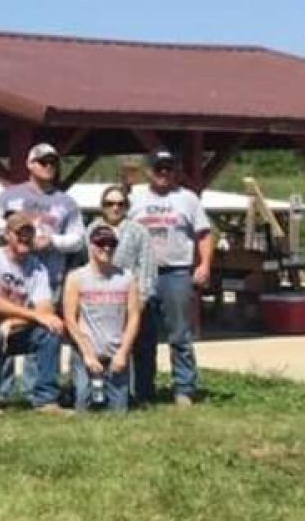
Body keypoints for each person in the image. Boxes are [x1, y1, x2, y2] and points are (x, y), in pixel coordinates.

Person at [0, 213, 71, 416]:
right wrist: (32, 315)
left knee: (51, 329)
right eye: (19, 233)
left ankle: (46, 400)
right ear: (7, 235)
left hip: (13, 330)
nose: (25, 238)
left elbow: (45, 310)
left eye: (29, 233)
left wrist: (12, 322)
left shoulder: (38, 267)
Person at [130, 149, 213, 407]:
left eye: (168, 168)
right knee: (142, 334)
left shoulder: (188, 199)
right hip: (141, 274)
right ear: (148, 171)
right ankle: (143, 390)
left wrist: (205, 265)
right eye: (158, 168)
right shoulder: (134, 198)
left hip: (176, 272)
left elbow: (204, 234)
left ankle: (184, 389)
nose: (163, 173)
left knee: (179, 334)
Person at [0, 143, 85, 293]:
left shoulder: (67, 203)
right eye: (43, 162)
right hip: (10, 280)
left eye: (53, 163)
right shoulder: (9, 195)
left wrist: (52, 241)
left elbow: (79, 240)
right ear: (29, 164)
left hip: (49, 281)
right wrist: (19, 235)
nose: (48, 166)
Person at [64, 223, 142, 413]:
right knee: (84, 406)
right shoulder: (76, 277)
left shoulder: (127, 278)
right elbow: (70, 319)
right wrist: (87, 354)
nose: (106, 248)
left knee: (118, 411)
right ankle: (74, 389)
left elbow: (133, 317)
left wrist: (123, 353)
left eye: (111, 243)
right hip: (86, 353)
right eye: (101, 243)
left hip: (116, 352)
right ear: (90, 245)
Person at [95, 182, 157, 306]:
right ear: (102, 206)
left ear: (127, 207)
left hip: (129, 298)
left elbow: (147, 267)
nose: (115, 208)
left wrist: (141, 299)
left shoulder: (139, 231)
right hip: (97, 298)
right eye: (109, 204)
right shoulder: (91, 230)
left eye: (120, 204)